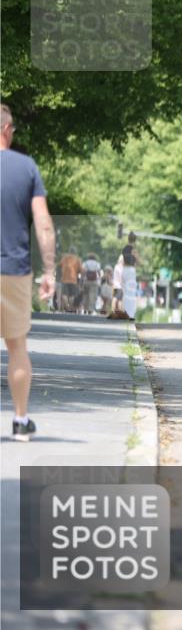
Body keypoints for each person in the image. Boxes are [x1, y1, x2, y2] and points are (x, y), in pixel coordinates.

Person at [1, 103, 56, 442]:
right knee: (16, 345)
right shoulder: (26, 168)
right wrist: (49, 270)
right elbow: (44, 224)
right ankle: (21, 421)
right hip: (13, 269)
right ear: (7, 129)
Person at [58, 246, 82, 313]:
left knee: (64, 294)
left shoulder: (64, 258)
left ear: (69, 251)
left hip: (64, 279)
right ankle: (71, 307)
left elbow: (60, 265)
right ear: (75, 252)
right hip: (73, 280)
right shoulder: (77, 259)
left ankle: (67, 307)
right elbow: (81, 270)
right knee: (72, 295)